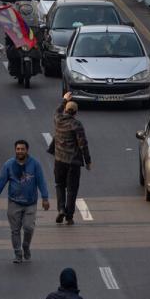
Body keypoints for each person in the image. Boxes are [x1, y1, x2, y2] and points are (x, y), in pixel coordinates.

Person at [0, 140, 50, 263]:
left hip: (30, 203)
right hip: (14, 203)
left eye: (22, 149)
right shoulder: (9, 165)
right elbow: (1, 182)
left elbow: (41, 181)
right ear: (15, 150)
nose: (20, 151)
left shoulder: (35, 164)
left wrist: (45, 198)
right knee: (15, 230)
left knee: (28, 228)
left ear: (27, 150)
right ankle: (18, 254)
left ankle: (26, 246)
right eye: (18, 149)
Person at [52, 92, 91, 225]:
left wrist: (64, 99)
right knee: (72, 189)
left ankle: (61, 209)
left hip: (59, 160)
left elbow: (57, 110)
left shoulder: (58, 119)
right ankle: (69, 216)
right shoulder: (77, 125)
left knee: (59, 185)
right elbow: (83, 144)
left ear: (65, 110)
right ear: (76, 112)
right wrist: (88, 161)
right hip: (73, 162)